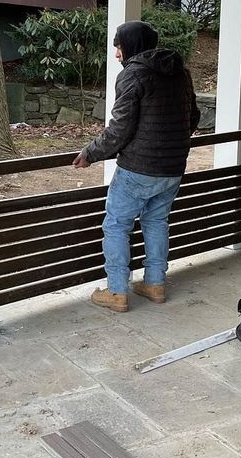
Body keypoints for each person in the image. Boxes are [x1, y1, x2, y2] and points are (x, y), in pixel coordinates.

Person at [73, 20, 200, 312]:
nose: (116, 53)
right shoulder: (180, 73)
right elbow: (192, 117)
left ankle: (117, 292)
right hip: (172, 167)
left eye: (118, 46)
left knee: (117, 225)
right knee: (156, 222)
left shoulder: (133, 74)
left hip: (139, 168)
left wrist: (90, 153)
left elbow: (120, 129)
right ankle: (154, 284)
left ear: (131, 45)